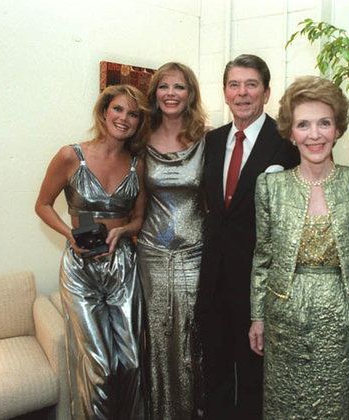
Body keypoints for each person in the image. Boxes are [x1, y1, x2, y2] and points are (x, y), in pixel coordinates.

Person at [248, 76, 349, 419]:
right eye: (303, 124)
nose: (314, 135)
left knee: (332, 406)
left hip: (341, 318)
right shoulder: (271, 186)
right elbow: (263, 257)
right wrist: (257, 316)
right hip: (283, 317)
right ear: (291, 132)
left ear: (338, 128)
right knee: (284, 406)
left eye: (324, 123)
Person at [195, 54, 299, 420]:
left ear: (267, 92)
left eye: (251, 84)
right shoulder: (212, 142)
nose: (242, 93)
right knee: (216, 373)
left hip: (260, 285)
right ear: (224, 93)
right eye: (234, 85)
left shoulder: (286, 144)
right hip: (213, 280)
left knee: (257, 378)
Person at [35, 84, 148, 419]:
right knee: (98, 366)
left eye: (133, 114)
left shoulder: (137, 163)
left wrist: (124, 230)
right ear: (103, 112)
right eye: (118, 109)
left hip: (124, 266)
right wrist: (69, 233)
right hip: (80, 269)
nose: (124, 118)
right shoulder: (71, 156)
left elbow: (140, 218)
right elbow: (42, 205)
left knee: (130, 362)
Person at [132, 62, 207, 420]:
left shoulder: (208, 139)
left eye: (179, 87)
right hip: (153, 253)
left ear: (190, 94)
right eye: (164, 87)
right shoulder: (140, 141)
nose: (171, 94)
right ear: (155, 94)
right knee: (158, 338)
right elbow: (132, 200)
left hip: (196, 252)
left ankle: (196, 411)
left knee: (194, 337)